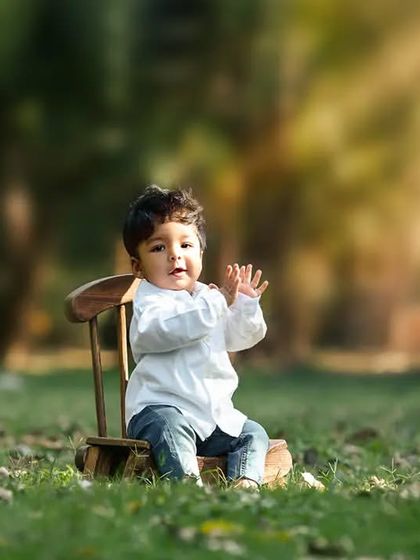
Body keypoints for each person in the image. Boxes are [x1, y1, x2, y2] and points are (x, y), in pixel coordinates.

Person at [122, 185, 270, 488]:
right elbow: (169, 330)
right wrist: (218, 303)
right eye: (159, 248)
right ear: (138, 267)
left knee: (253, 432)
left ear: (201, 253)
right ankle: (187, 484)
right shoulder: (151, 302)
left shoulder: (207, 297)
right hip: (159, 409)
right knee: (170, 427)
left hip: (210, 417)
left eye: (186, 245)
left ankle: (244, 483)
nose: (175, 255)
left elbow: (240, 337)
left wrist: (245, 305)